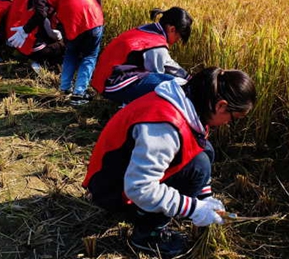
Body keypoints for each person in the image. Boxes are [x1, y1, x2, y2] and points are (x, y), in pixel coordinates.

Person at [83, 67, 256, 257]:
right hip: (113, 189)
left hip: (124, 175)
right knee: (199, 166)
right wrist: (193, 208)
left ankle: (152, 215)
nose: (229, 124)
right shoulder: (164, 125)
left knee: (205, 151)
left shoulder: (192, 99)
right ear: (221, 106)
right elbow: (140, 189)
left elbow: (198, 145)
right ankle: (147, 234)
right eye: (234, 118)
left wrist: (204, 197)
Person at [8, 0, 104, 106]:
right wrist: (98, 10)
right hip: (95, 19)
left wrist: (25, 30)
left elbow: (41, 13)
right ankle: (78, 92)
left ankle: (70, 90)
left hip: (72, 23)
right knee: (89, 55)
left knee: (73, 52)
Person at [91, 7, 192, 105]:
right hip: (113, 84)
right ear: (172, 29)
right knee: (171, 86)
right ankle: (131, 108)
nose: (177, 41)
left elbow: (167, 63)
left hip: (105, 79)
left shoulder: (148, 30)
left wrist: (188, 77)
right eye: (178, 38)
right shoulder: (155, 44)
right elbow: (158, 74)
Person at [5, 0, 65, 71]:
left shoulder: (23, 0)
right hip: (34, 47)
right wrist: (61, 38)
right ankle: (42, 63)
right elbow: (51, 34)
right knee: (62, 45)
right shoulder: (40, 14)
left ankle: (33, 58)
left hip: (19, 42)